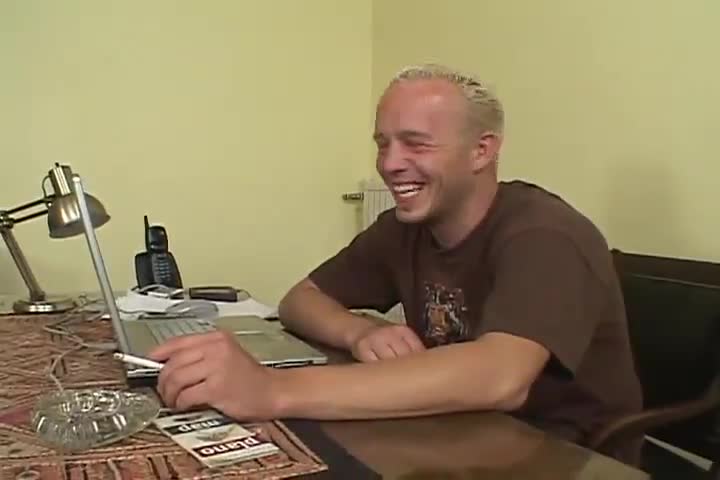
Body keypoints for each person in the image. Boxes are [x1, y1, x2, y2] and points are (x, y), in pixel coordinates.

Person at [149, 63, 643, 465]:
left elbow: (500, 378)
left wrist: (273, 389)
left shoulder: (545, 234)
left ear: (482, 150)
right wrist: (357, 332)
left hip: (563, 456)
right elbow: (301, 300)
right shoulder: (404, 229)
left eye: (416, 143)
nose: (389, 163)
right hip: (453, 434)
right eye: (383, 143)